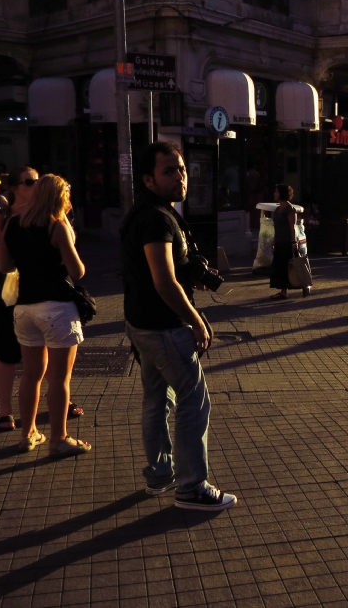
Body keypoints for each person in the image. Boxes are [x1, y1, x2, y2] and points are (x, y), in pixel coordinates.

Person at [121, 141, 237, 510]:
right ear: (149, 180)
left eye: (182, 169)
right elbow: (164, 281)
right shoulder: (156, 218)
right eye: (169, 171)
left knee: (157, 399)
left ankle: (160, 476)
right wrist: (197, 319)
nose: (180, 176)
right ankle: (192, 487)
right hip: (163, 326)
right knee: (193, 400)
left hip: (142, 323)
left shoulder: (150, 213)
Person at [0, 174, 90, 457]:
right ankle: (59, 438)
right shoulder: (57, 225)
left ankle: (27, 434)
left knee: (31, 376)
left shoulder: (13, 224)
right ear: (61, 197)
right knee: (59, 379)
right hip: (57, 308)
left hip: (25, 308)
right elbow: (78, 272)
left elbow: (3, 265)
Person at [0, 167, 38, 432]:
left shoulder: (46, 215)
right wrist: (17, 254)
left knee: (46, 346)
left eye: (38, 181)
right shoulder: (1, 216)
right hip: (5, 290)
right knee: (5, 349)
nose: (35, 185)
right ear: (14, 188)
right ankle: (5, 411)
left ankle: (60, 399)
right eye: (29, 182)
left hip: (38, 288)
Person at [270, 184, 309, 299]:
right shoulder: (277, 209)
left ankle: (305, 285)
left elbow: (293, 227)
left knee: (293, 266)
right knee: (281, 267)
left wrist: (294, 242)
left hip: (288, 242)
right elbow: (276, 227)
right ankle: (283, 292)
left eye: (276, 192)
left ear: (281, 194)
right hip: (280, 241)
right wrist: (274, 240)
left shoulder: (290, 210)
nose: (274, 194)